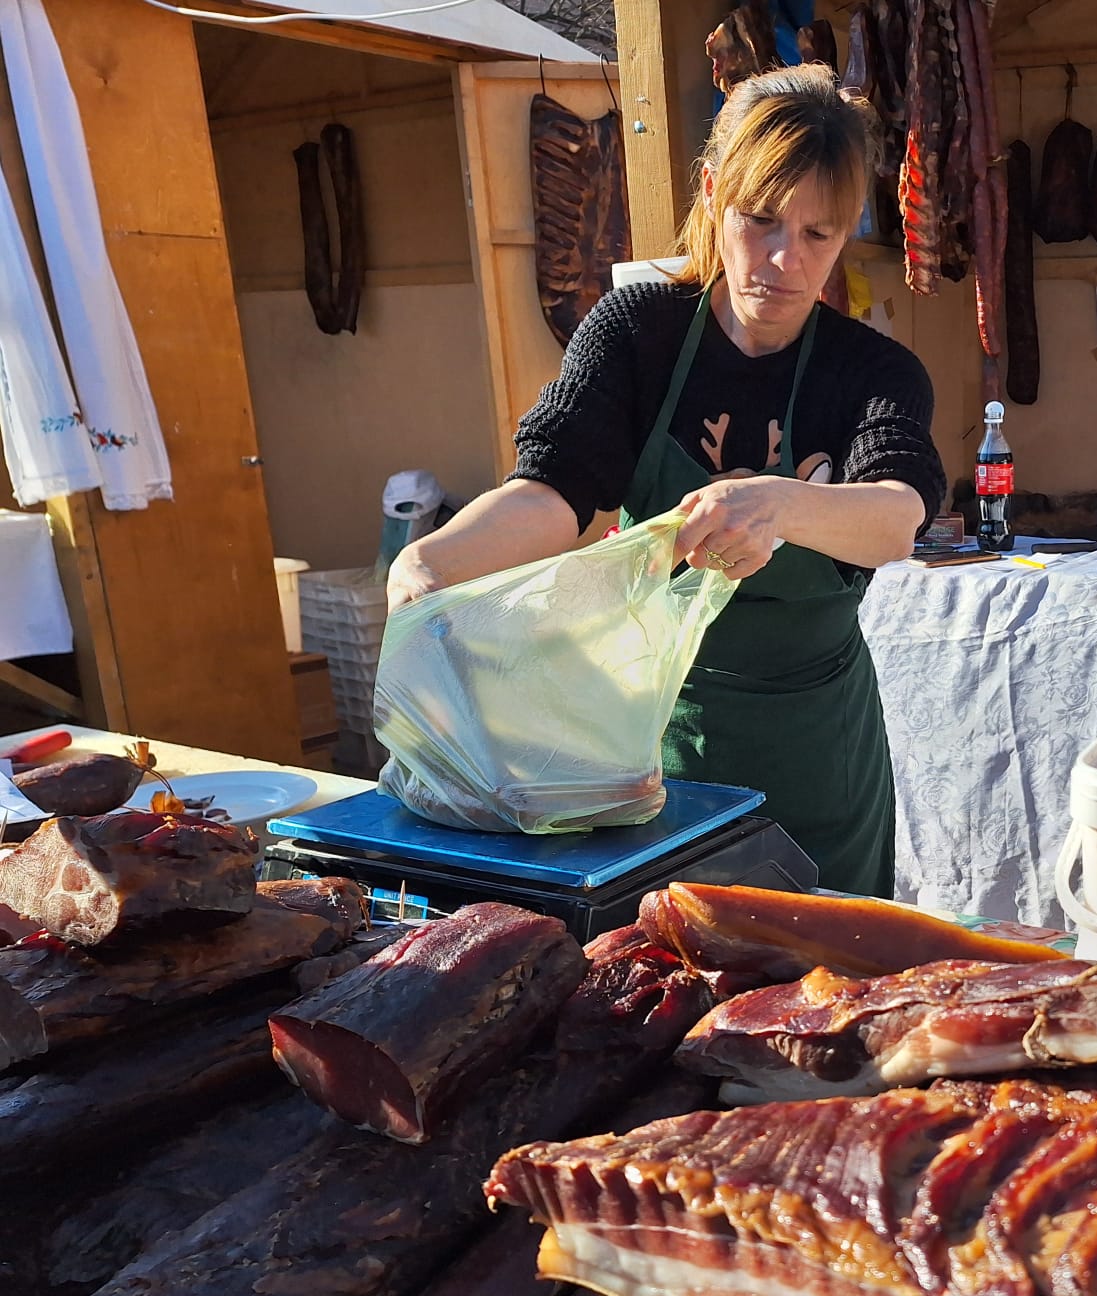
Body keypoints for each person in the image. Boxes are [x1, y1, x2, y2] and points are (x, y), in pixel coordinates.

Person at [385, 65, 944, 897]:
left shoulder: (871, 371)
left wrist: (778, 502)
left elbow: (896, 516)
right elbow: (556, 490)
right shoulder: (636, 332)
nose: (784, 260)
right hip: (651, 742)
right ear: (714, 194)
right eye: (760, 219)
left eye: (818, 233)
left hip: (819, 756)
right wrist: (434, 561)